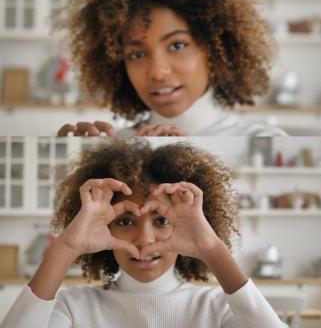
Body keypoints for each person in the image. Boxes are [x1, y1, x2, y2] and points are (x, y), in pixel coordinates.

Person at [0, 139, 285, 327]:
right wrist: (65, 248)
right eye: (125, 222)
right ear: (104, 227)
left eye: (161, 221)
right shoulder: (75, 308)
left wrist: (212, 248)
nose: (144, 240)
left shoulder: (218, 310)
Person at [55, 0, 287, 136]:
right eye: (136, 54)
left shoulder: (265, 138)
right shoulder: (113, 143)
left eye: (177, 45)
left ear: (215, 50)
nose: (157, 71)